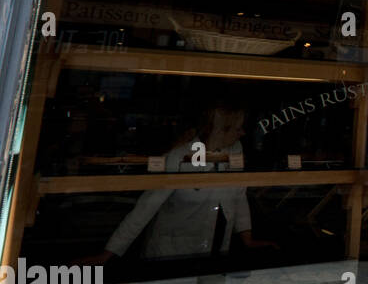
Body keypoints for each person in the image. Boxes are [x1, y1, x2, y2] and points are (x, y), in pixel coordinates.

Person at [83, 105, 272, 265]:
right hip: (173, 254)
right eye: (237, 128)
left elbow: (238, 197)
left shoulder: (235, 150)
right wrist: (108, 253)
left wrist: (248, 239)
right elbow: (146, 208)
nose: (243, 133)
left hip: (217, 249)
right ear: (218, 130)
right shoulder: (179, 157)